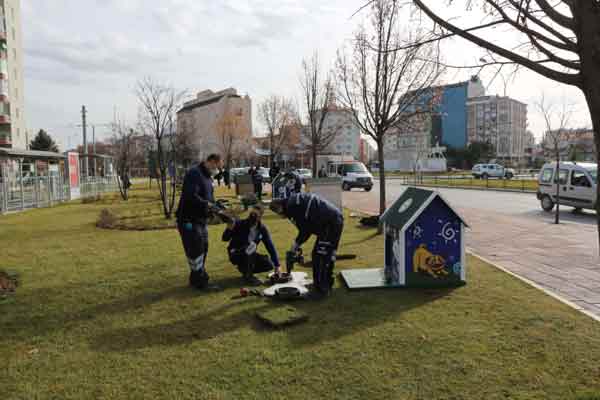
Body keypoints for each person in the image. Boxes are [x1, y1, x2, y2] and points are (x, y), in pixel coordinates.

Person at [270, 192, 344, 298]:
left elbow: (305, 230)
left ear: (279, 208)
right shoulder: (293, 200)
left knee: (320, 256)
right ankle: (326, 283)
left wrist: (294, 246)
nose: (281, 216)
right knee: (327, 254)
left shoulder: (292, 207)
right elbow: (306, 225)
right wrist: (296, 245)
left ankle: (321, 290)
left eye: (278, 213)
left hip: (329, 223)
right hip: (331, 220)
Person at [175, 153, 223, 290]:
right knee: (196, 249)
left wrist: (216, 206)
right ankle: (201, 281)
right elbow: (191, 196)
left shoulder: (207, 178)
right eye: (217, 167)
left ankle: (195, 277)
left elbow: (209, 197)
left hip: (200, 220)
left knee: (203, 247)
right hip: (188, 220)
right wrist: (207, 205)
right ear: (212, 162)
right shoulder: (194, 174)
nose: (217, 170)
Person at [222, 204, 280, 286]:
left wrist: (277, 266)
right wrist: (229, 228)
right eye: (252, 214)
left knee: (269, 264)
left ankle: (244, 269)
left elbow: (270, 246)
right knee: (251, 247)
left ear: (260, 217)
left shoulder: (262, 229)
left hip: (249, 254)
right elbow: (225, 238)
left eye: (256, 215)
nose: (253, 217)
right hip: (235, 253)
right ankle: (249, 277)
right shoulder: (239, 224)